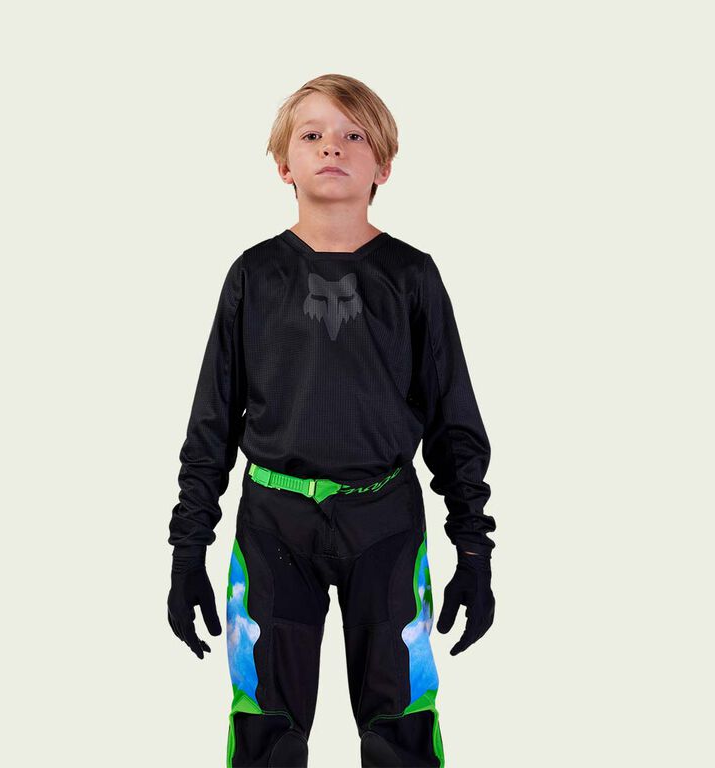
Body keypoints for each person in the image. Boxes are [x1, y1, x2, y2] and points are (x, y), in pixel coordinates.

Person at [166, 73, 496, 768]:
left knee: (402, 721)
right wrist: (187, 551)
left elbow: (453, 421)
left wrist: (473, 553)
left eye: (354, 136)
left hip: (385, 523)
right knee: (266, 723)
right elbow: (213, 421)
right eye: (312, 135)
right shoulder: (253, 275)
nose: (332, 147)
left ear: (384, 165)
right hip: (274, 526)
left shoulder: (412, 276)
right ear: (283, 165)